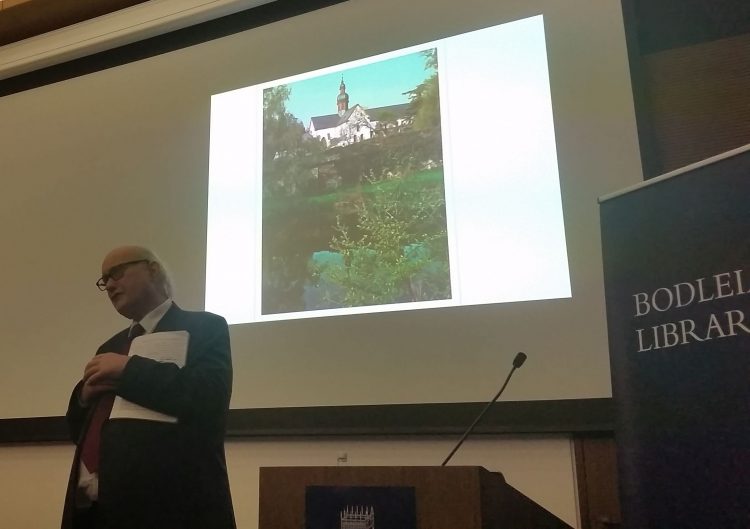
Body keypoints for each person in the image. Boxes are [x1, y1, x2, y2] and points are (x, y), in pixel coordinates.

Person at [61, 246, 236, 529]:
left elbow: (208, 397)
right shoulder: (110, 346)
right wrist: (83, 397)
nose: (110, 286)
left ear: (153, 269)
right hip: (97, 510)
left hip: (172, 509)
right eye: (105, 281)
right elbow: (78, 430)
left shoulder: (205, 327)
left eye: (117, 273)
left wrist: (127, 369)